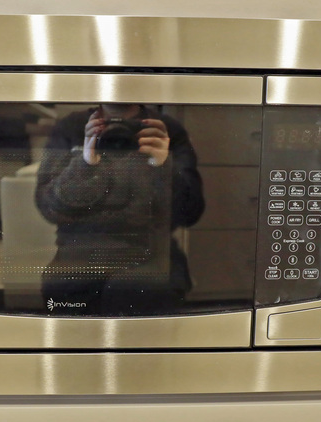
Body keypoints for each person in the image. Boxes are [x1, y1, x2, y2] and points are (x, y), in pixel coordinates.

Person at [34, 103, 204, 316]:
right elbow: (49, 207)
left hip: (149, 255)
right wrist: (85, 163)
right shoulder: (71, 127)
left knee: (136, 291)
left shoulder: (165, 130)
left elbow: (190, 212)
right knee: (75, 301)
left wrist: (163, 166)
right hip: (80, 259)